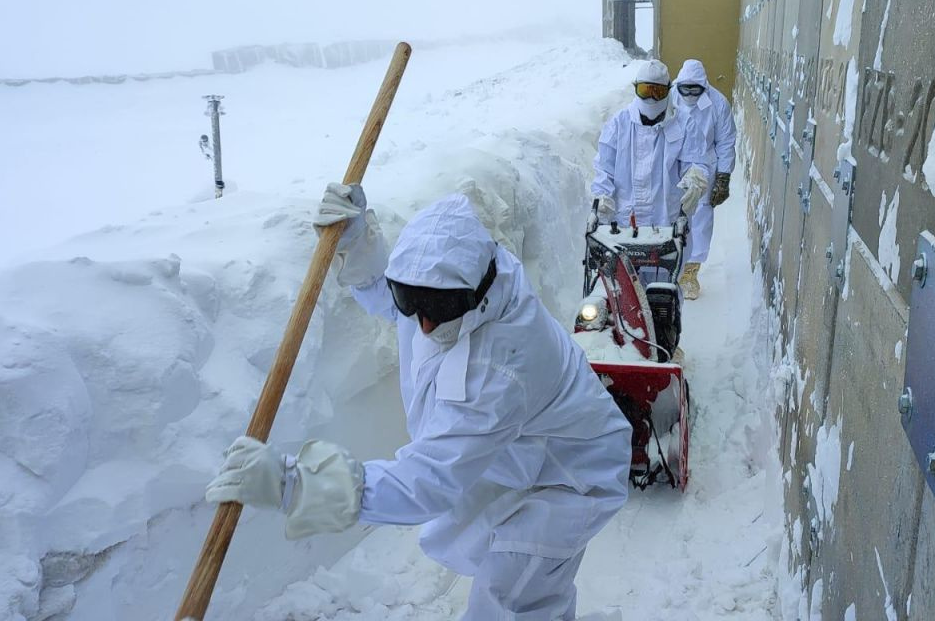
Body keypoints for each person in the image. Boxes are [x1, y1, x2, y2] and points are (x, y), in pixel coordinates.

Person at [205, 189, 632, 621]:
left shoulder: (502, 368)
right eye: (413, 302)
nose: (423, 324)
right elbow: (399, 302)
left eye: (438, 309)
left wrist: (295, 484)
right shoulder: (456, 292)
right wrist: (358, 245)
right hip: (523, 457)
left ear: (476, 295)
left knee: (513, 599)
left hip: (569, 479)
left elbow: (427, 481)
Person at [591, 59, 711, 234]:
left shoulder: (685, 125)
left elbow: (696, 161)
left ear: (668, 91)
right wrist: (602, 197)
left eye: (658, 92)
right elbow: (604, 168)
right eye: (645, 90)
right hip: (624, 225)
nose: (651, 98)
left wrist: (695, 180)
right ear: (636, 89)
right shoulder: (619, 124)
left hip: (667, 225)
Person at [670, 59, 737, 300]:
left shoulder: (717, 104)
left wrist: (723, 175)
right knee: (669, 213)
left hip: (704, 165)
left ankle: (690, 272)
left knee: (700, 219)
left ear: (703, 86)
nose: (689, 94)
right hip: (673, 163)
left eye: (694, 89)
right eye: (685, 88)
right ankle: (670, 265)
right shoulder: (670, 97)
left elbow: (726, 141)